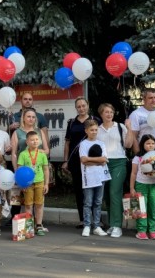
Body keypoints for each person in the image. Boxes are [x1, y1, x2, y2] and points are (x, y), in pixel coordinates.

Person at [62, 97, 100, 228]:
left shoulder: (95, 120)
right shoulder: (72, 123)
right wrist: (66, 160)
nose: (81, 108)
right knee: (79, 191)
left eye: (83, 105)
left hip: (92, 161)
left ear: (88, 105)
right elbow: (67, 143)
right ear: (76, 108)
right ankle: (83, 219)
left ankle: (96, 220)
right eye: (79, 106)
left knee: (94, 190)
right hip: (76, 162)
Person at [97, 103, 134, 238]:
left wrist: (129, 128)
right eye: (106, 112)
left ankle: (117, 226)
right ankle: (112, 224)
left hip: (118, 162)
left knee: (114, 192)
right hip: (102, 163)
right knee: (106, 194)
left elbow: (129, 144)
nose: (109, 114)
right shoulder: (98, 129)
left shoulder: (120, 126)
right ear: (101, 114)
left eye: (111, 112)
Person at [10, 108, 50, 226]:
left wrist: (41, 151)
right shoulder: (17, 132)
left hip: (37, 171)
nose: (31, 119)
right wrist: (17, 172)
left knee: (37, 201)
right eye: (28, 116)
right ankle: (18, 225)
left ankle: (37, 225)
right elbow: (13, 153)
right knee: (19, 200)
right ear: (23, 118)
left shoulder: (39, 131)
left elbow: (47, 150)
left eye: (33, 117)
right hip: (22, 168)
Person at [79, 119, 110, 237]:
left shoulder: (101, 143)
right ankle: (87, 225)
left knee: (98, 202)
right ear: (86, 131)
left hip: (100, 176)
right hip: (88, 177)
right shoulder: (83, 144)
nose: (94, 132)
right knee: (88, 202)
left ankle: (96, 226)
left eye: (96, 130)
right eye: (91, 130)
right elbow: (83, 160)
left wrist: (90, 160)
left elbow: (105, 160)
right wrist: (98, 161)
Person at [17, 131, 49, 236]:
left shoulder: (42, 154)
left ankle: (39, 225)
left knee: (39, 204)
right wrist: (22, 184)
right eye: (32, 139)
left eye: (36, 139)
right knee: (28, 205)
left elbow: (46, 169)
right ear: (27, 142)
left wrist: (46, 184)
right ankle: (29, 226)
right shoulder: (23, 154)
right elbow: (19, 170)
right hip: (28, 184)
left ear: (39, 141)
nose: (35, 141)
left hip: (40, 182)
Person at [129, 134, 155, 240]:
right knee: (140, 208)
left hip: (154, 186)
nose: (150, 145)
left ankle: (152, 230)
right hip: (141, 185)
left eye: (152, 143)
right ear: (143, 144)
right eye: (148, 143)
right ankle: (141, 231)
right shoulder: (137, 158)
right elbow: (133, 173)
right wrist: (132, 188)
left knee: (152, 208)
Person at [129, 88, 155, 153]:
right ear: (144, 99)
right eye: (150, 98)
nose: (153, 100)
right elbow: (134, 138)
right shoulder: (136, 114)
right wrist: (138, 155)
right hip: (145, 152)